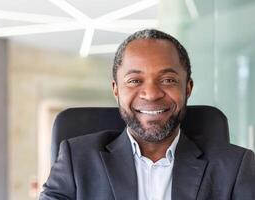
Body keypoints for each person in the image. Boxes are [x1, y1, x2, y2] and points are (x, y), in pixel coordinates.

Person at [39, 29, 255, 200]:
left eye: (168, 80)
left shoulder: (235, 166)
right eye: (134, 80)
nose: (151, 94)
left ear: (187, 88)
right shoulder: (76, 159)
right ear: (116, 90)